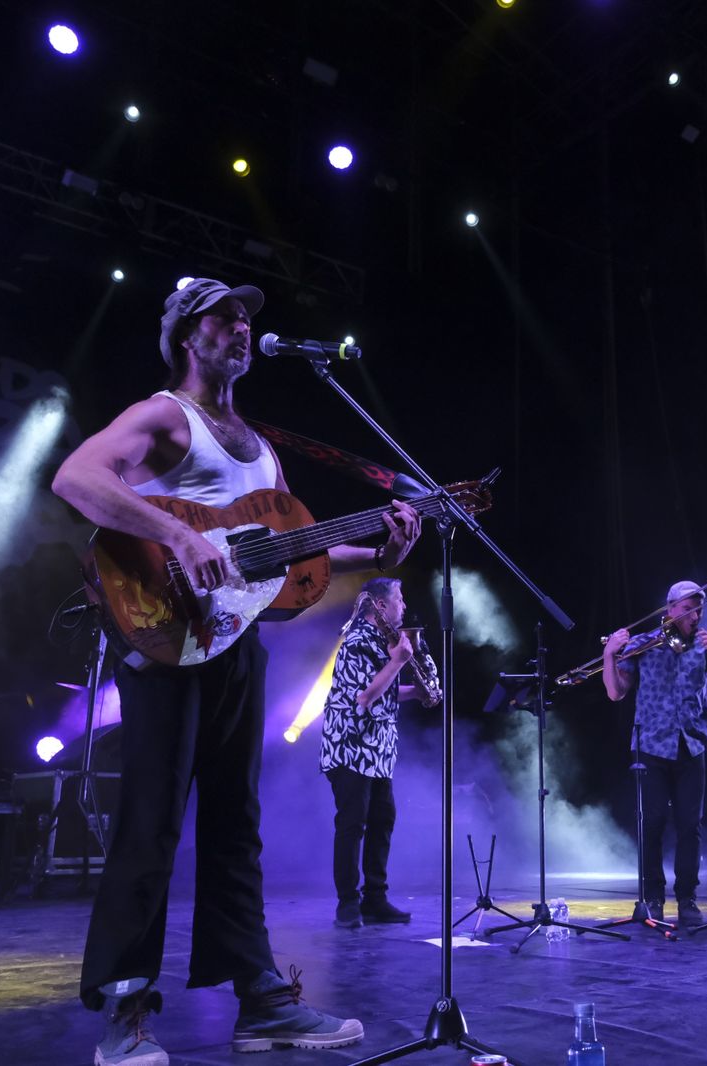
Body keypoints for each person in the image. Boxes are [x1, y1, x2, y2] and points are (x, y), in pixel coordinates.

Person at [52, 277, 422, 1065]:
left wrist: (378, 550)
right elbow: (76, 478)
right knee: (150, 825)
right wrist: (176, 536)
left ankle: (260, 1000)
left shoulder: (262, 449)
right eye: (224, 318)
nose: (242, 328)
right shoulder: (164, 416)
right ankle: (124, 1017)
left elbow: (289, 554)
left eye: (247, 318)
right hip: (161, 637)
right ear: (189, 335)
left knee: (236, 827)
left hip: (233, 646)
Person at [602, 579, 707, 927]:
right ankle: (653, 896)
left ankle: (687, 897)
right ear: (671, 609)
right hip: (651, 747)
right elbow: (616, 692)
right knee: (653, 823)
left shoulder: (704, 646)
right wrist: (609, 654)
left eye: (700, 608)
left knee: (690, 825)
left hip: (692, 743)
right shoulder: (645, 644)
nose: (696, 615)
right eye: (689, 608)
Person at [319, 577, 438, 928]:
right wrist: (400, 662)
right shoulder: (356, 641)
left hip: (378, 750)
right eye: (399, 599)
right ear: (381, 606)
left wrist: (416, 692)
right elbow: (363, 697)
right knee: (352, 823)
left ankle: (375, 899)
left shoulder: (388, 640)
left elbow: (383, 691)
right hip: (349, 746)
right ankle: (347, 904)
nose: (404, 605)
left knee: (383, 821)